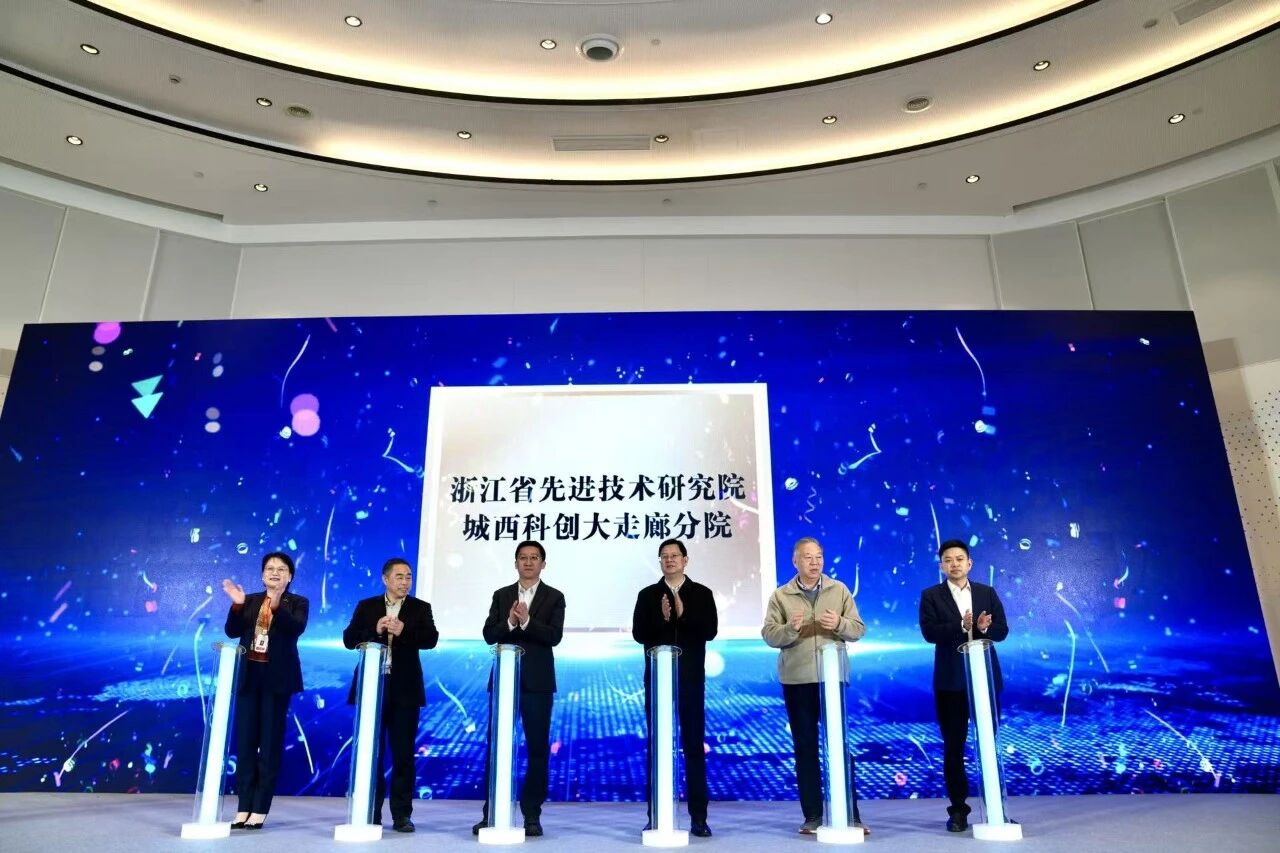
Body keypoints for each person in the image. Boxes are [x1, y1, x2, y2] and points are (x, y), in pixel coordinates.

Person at [761, 537, 868, 836]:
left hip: (832, 679)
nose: (814, 562)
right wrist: (790, 629)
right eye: (807, 557)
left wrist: (840, 624)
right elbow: (769, 635)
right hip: (797, 681)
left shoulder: (839, 590)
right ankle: (813, 816)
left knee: (840, 746)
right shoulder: (781, 596)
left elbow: (858, 629)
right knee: (805, 748)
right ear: (795, 561)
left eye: (819, 556)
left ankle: (851, 815)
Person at [472, 541, 565, 838]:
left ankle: (532, 815)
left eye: (534, 557)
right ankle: (491, 813)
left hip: (537, 684)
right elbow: (489, 634)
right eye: (523, 557)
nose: (528, 562)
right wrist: (511, 621)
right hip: (504, 681)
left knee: (537, 749)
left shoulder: (554, 597)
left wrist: (527, 622)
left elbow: (554, 636)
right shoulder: (501, 595)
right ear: (515, 563)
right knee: (497, 748)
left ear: (543, 564)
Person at [342, 557, 440, 833]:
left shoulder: (420, 608)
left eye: (408, 577)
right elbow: (349, 639)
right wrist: (374, 630)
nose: (405, 582)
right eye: (399, 576)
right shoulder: (367, 606)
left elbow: (431, 639)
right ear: (385, 579)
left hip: (405, 691)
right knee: (370, 753)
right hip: (372, 688)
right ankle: (369, 811)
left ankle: (401, 815)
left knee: (403, 755)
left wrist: (403, 630)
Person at [919, 538, 1010, 833]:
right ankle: (958, 811)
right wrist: (961, 626)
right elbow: (929, 633)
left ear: (969, 563)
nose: (954, 564)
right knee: (954, 747)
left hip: (985, 679)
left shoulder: (986, 592)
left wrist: (984, 627)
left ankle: (996, 809)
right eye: (948, 560)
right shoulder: (931, 595)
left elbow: (1002, 631)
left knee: (988, 744)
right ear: (941, 566)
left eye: (959, 559)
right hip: (950, 682)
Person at [631, 538, 719, 838]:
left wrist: (683, 615)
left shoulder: (702, 594)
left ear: (685, 560)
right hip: (657, 681)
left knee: (693, 746)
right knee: (657, 747)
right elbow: (639, 634)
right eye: (664, 556)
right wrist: (664, 619)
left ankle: (699, 817)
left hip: (691, 681)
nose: (669, 560)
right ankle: (656, 815)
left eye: (674, 555)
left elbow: (710, 631)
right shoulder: (647, 595)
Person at [221, 551, 308, 830]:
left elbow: (294, 628)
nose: (275, 572)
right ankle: (243, 806)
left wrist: (277, 602)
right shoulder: (249, 600)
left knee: (269, 744)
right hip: (249, 678)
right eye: (270, 568)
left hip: (277, 680)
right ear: (262, 575)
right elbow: (232, 632)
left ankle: (260, 807)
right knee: (246, 743)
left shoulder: (298, 603)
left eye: (281, 569)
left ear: (290, 576)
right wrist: (237, 606)